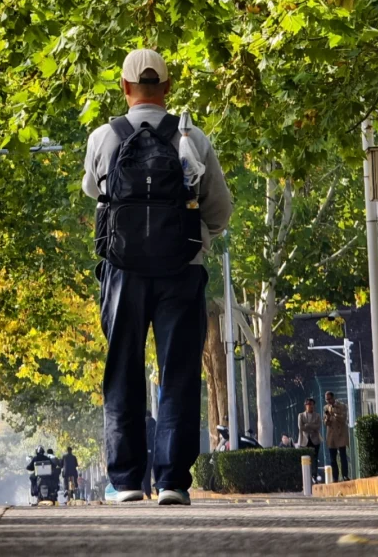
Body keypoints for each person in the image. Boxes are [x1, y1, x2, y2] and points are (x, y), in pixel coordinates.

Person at [83, 48, 234, 508]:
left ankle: (126, 481)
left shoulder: (103, 137)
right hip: (182, 272)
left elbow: (94, 190)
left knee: (122, 372)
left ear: (125, 88)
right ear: (167, 88)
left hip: (123, 273)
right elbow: (220, 211)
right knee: (180, 374)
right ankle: (172, 481)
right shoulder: (194, 138)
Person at [323, 390, 350, 482]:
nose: (328, 401)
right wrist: (327, 417)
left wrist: (333, 414)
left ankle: (345, 475)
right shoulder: (326, 407)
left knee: (343, 456)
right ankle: (335, 477)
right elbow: (326, 423)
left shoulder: (342, 406)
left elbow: (343, 418)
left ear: (333, 397)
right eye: (326, 399)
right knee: (332, 458)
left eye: (329, 399)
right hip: (331, 434)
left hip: (341, 433)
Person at [298, 396, 322, 480]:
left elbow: (318, 426)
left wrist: (308, 425)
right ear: (305, 405)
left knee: (314, 458)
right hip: (304, 440)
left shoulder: (317, 416)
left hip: (315, 440)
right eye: (309, 404)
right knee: (304, 459)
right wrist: (311, 427)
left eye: (312, 404)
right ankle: (304, 476)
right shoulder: (301, 415)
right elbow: (301, 427)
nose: (310, 406)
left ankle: (314, 475)